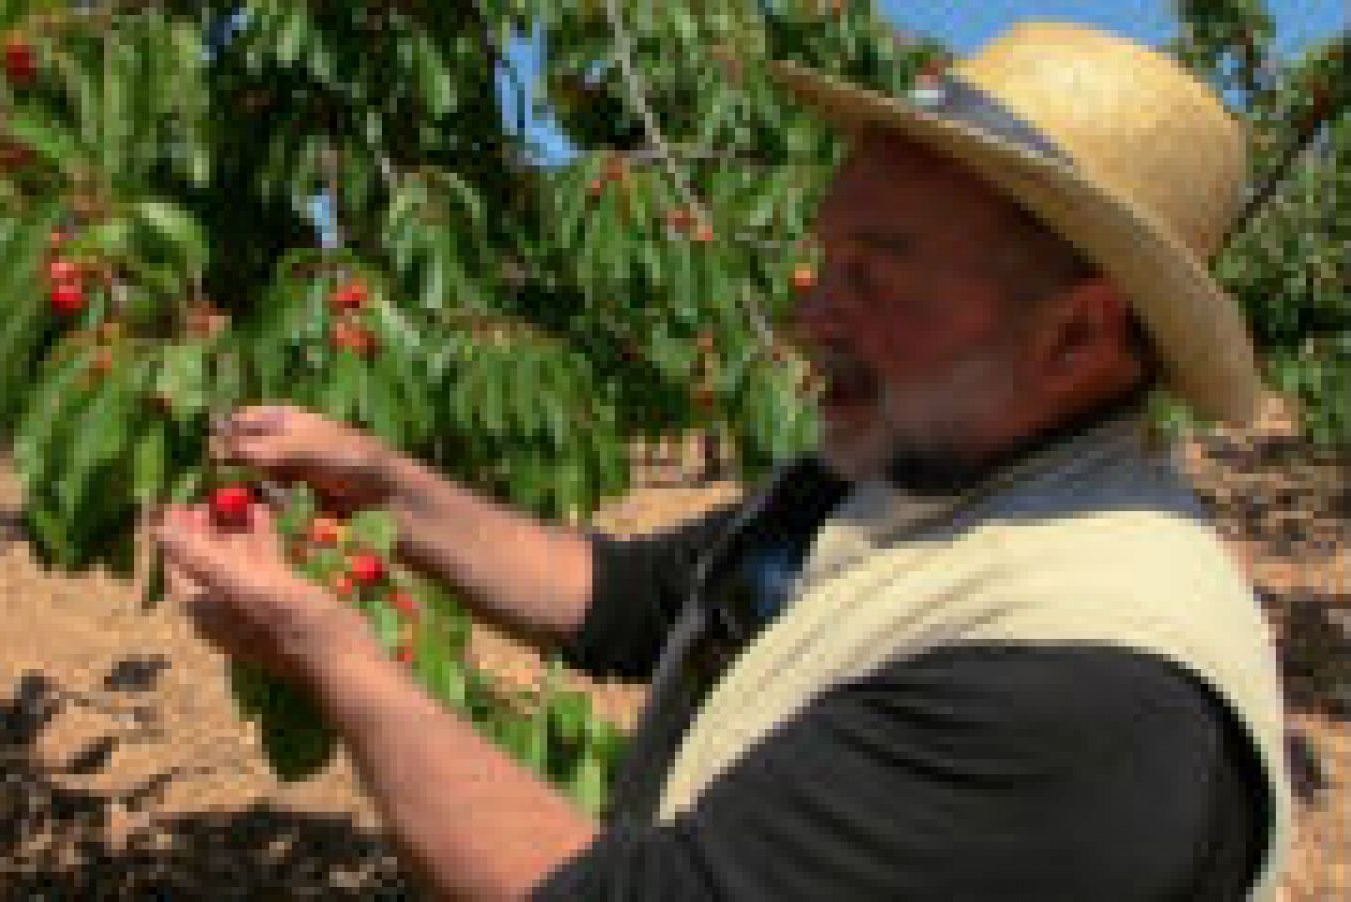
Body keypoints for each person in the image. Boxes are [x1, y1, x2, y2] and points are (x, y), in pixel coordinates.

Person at [153, 21, 1292, 901]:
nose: (810, 318)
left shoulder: (1083, 690)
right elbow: (635, 600)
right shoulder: (903, 475)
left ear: (1076, 337)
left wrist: (332, 653)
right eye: (822, 258)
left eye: (874, 274)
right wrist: (386, 486)